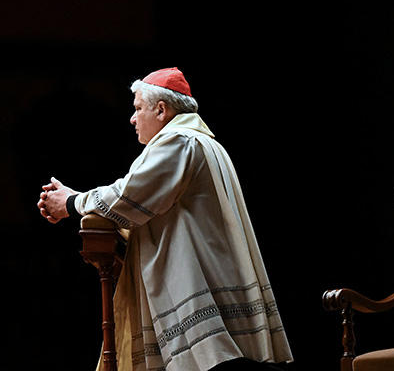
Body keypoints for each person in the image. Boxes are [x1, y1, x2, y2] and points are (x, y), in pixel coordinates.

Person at [38, 68, 293, 371]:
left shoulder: (179, 141)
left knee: (214, 360)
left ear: (161, 110)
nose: (132, 119)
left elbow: (131, 195)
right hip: (214, 267)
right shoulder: (205, 142)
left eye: (137, 108)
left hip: (199, 275)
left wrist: (70, 201)